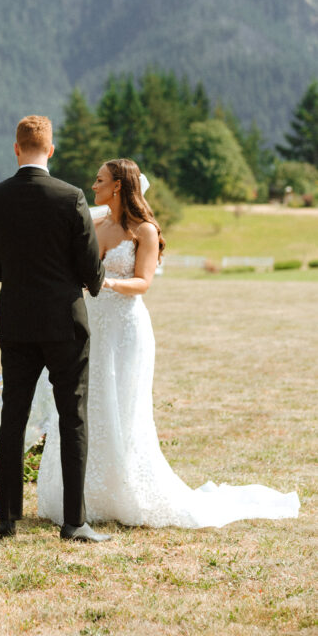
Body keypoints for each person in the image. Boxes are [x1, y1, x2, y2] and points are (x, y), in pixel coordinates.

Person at [37, 158, 300, 528]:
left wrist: (104, 283)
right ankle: (84, 495)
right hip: (92, 326)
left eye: (99, 181)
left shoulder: (143, 230)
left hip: (126, 328)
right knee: (88, 402)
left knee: (123, 407)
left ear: (117, 186)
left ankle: (125, 491)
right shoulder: (94, 225)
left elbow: (143, 282)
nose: (92, 186)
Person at [0, 115, 109, 541]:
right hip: (64, 322)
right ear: (50, 150)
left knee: (12, 418)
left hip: (15, 321)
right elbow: (91, 266)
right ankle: (74, 522)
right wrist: (86, 283)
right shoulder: (70, 197)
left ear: (16, 148)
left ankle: (7, 519)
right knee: (72, 417)